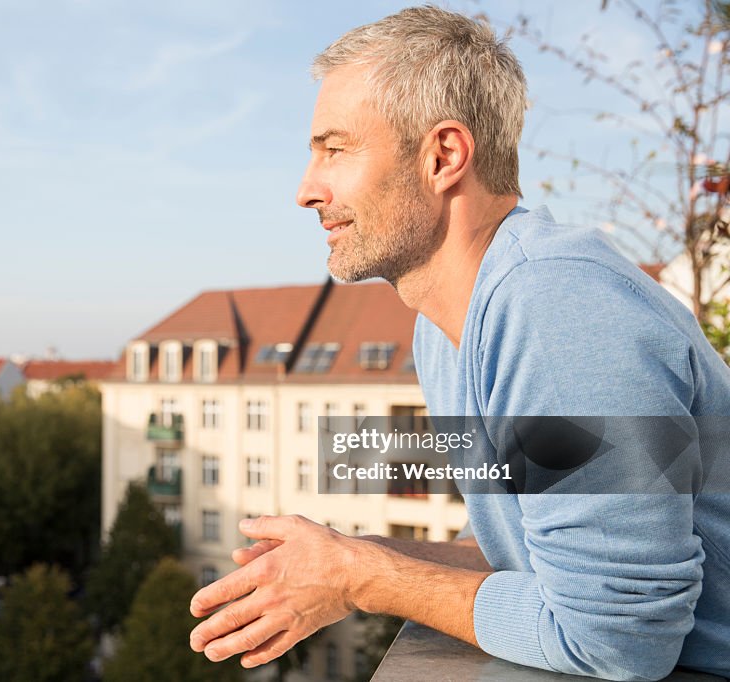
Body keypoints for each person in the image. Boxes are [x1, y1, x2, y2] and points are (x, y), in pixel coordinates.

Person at [188, 6, 730, 680]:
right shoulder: (448, 329)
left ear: (443, 156)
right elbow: (527, 557)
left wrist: (362, 577)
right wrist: (337, 562)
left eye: (335, 148)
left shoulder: (555, 305)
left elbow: (617, 639)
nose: (307, 189)